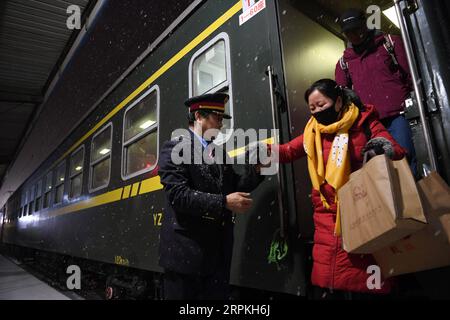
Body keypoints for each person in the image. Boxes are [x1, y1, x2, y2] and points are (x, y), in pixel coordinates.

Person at [270, 79, 406, 297]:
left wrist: (381, 147)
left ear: (338, 101)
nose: (317, 112)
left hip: (364, 210)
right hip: (327, 217)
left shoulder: (363, 121)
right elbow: (287, 151)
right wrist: (262, 150)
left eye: (321, 105)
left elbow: (391, 145)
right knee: (331, 279)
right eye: (312, 108)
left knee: (369, 282)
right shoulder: (312, 132)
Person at [158, 92, 264, 300]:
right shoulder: (174, 147)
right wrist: (223, 202)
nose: (221, 125)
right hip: (186, 254)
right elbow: (178, 196)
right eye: (217, 118)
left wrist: (257, 171)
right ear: (198, 116)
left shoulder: (218, 152)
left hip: (217, 254)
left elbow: (233, 186)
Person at [335, 8, 417, 176]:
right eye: (349, 32)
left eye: (357, 28)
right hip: (369, 123)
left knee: (405, 162)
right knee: (378, 171)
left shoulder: (389, 43)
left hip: (397, 115)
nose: (355, 35)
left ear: (366, 25)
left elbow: (411, 76)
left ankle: (413, 199)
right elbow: (341, 97)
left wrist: (404, 98)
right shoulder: (344, 62)